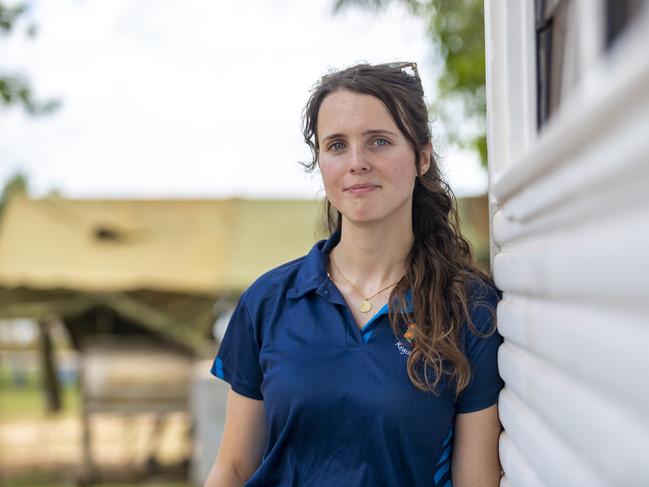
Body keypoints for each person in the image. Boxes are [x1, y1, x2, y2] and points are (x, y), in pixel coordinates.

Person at [205, 62, 503, 487]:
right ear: (321, 162)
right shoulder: (268, 301)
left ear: (422, 157)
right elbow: (233, 468)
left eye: (379, 142)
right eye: (337, 145)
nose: (357, 163)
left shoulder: (468, 309)